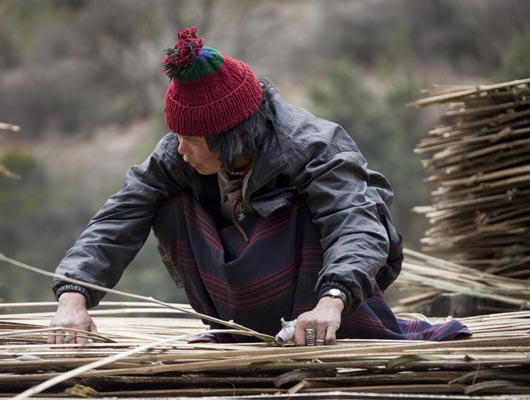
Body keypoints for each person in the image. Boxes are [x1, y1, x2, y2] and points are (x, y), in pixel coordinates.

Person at [48, 27, 470, 346]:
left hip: (323, 305)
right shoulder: (176, 157)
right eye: (176, 137)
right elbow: (119, 215)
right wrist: (73, 295)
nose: (180, 151)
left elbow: (356, 223)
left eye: (191, 142)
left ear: (231, 138)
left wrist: (332, 300)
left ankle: (319, 323)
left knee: (308, 210)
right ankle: (236, 331)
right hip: (238, 310)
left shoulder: (313, 145)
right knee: (166, 202)